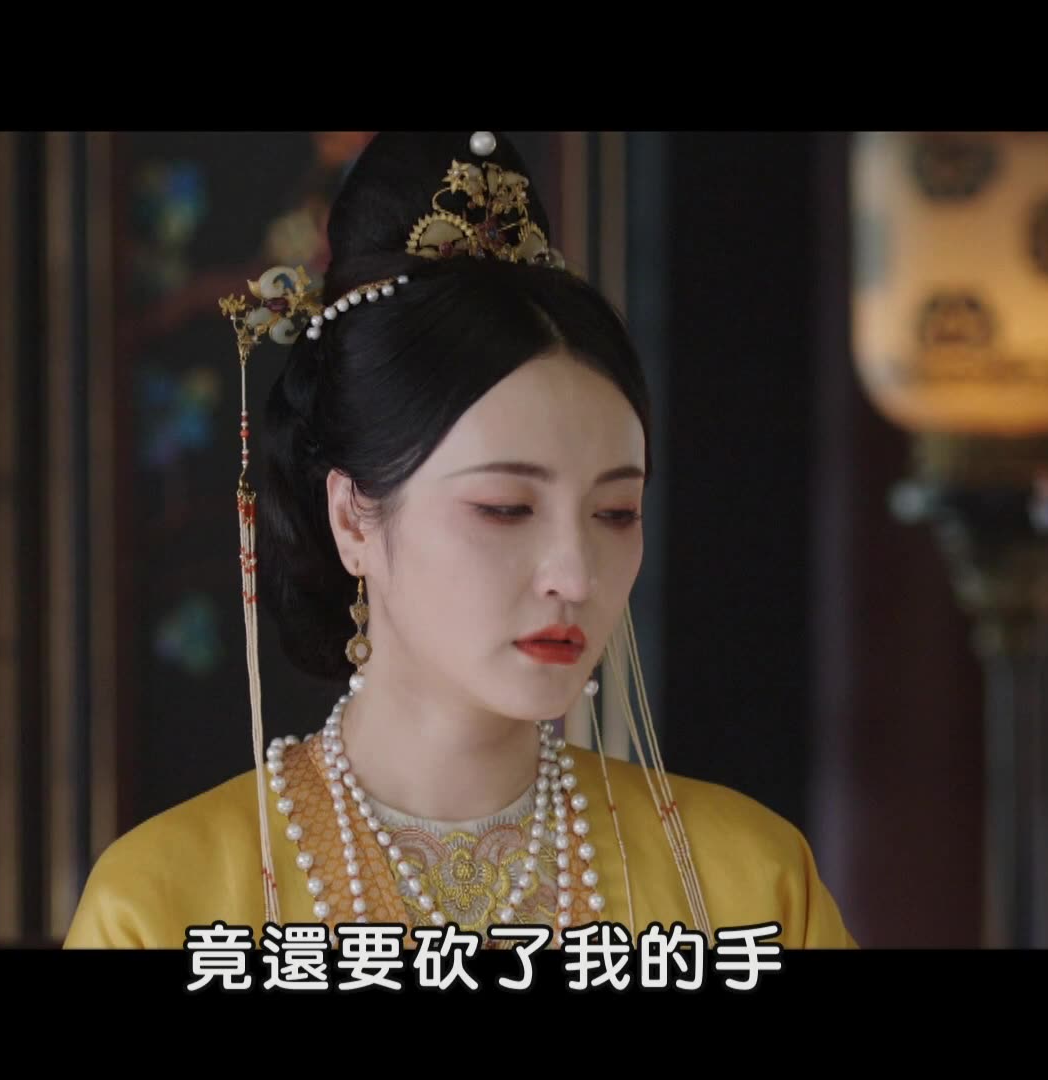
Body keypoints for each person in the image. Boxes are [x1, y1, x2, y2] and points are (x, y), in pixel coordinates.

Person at [64, 131, 855, 950]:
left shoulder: (750, 886)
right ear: (353, 518)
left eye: (616, 513)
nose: (575, 574)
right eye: (505, 508)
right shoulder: (167, 904)